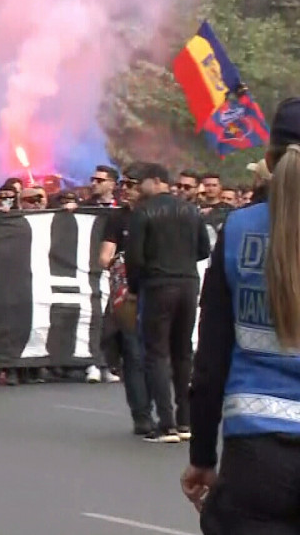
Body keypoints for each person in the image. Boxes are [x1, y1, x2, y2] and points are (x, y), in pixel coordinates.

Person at [182, 99, 300, 530]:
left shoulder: (236, 230)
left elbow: (210, 363)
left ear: (268, 161)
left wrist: (201, 459)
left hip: (255, 454)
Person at [126, 162, 211, 443]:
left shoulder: (143, 212)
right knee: (183, 352)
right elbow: (203, 250)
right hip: (188, 283)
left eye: (141, 183)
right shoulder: (191, 210)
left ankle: (166, 423)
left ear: (156, 181)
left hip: (157, 284)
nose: (138, 188)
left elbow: (134, 257)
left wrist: (134, 288)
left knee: (157, 353)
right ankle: (186, 420)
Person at [99, 170, 151, 434]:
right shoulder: (119, 218)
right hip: (128, 291)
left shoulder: (157, 213)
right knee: (132, 351)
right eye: (124, 185)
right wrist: (120, 259)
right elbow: (104, 256)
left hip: (157, 290)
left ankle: (164, 411)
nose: (127, 189)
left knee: (157, 353)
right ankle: (141, 414)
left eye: (133, 184)